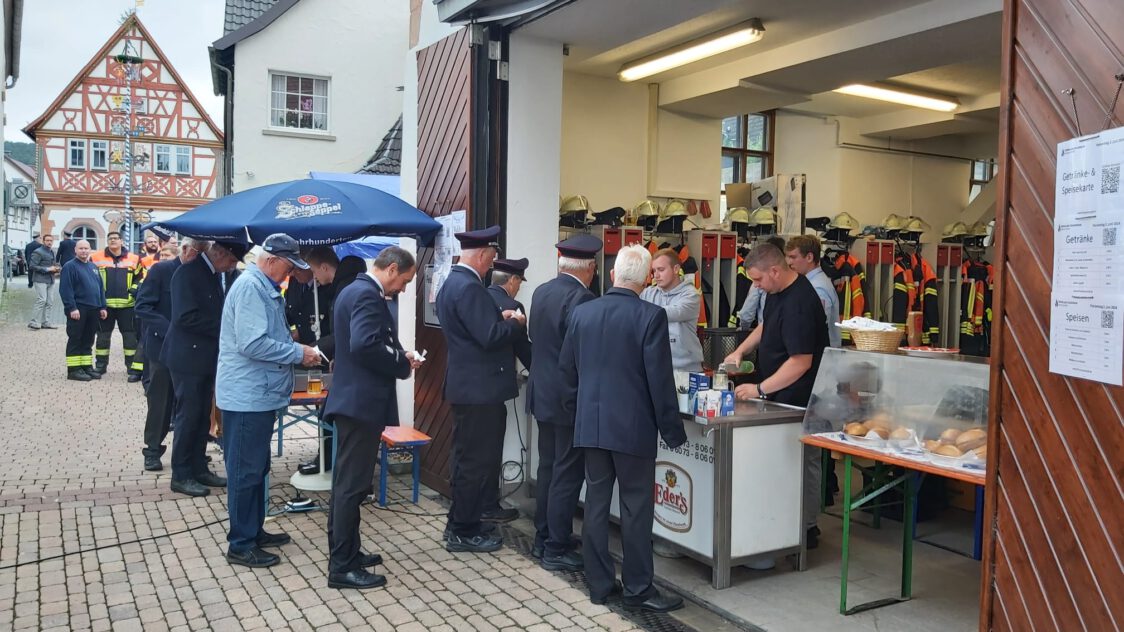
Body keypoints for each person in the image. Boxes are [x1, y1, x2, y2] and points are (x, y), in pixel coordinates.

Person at [559, 244, 686, 612]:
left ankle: (599, 584)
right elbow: (659, 381)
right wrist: (672, 430)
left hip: (591, 426)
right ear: (645, 279)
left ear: (613, 275)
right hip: (633, 429)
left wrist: (577, 413)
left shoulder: (583, 313)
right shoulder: (650, 316)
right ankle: (638, 588)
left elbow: (567, 371)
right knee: (635, 509)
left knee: (596, 504)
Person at [217, 234, 319, 569]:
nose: (290, 274)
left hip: (258, 395)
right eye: (288, 267)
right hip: (247, 396)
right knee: (245, 472)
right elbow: (252, 344)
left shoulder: (263, 286)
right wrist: (297, 353)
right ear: (271, 260)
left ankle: (253, 531)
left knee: (256, 468)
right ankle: (241, 544)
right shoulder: (251, 287)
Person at [324, 247, 423, 588]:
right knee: (351, 487)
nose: (404, 289)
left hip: (354, 401)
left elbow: (364, 342)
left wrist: (398, 353)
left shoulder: (353, 289)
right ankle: (342, 566)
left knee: (347, 485)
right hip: (360, 404)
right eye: (405, 281)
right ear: (391, 269)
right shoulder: (367, 294)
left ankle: (348, 551)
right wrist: (400, 362)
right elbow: (365, 345)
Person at [724, 244, 829, 548]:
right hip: (778, 394)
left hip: (799, 398)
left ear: (774, 270)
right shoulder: (776, 291)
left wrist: (759, 389)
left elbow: (800, 362)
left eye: (758, 280)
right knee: (782, 462)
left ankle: (806, 528)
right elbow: (766, 324)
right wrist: (741, 350)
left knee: (802, 462)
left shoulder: (800, 303)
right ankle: (780, 523)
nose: (756, 286)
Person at [435, 225, 526, 553]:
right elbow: (489, 337)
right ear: (483, 254)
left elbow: (474, 328)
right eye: (491, 258)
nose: (492, 264)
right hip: (479, 389)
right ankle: (464, 529)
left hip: (467, 386)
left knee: (465, 459)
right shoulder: (470, 287)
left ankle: (461, 521)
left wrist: (498, 316)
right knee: (474, 462)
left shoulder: (452, 283)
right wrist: (514, 323)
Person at [528, 234, 602, 570]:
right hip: (568, 398)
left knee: (548, 467)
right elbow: (583, 353)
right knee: (567, 473)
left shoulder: (541, 291)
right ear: (590, 268)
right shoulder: (582, 298)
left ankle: (543, 536)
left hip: (542, 393)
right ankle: (556, 546)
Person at [165, 241, 245, 497]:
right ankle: (181, 474)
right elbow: (185, 316)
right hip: (187, 357)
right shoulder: (188, 273)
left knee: (202, 417)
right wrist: (226, 326)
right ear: (219, 253)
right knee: (188, 416)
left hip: (204, 357)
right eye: (231, 260)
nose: (232, 266)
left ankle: (199, 467)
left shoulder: (212, 273)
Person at [135, 238, 205, 471]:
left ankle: (191, 452)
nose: (202, 259)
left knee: (191, 401)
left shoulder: (201, 274)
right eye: (199, 253)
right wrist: (170, 331)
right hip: (162, 347)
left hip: (193, 348)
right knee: (161, 401)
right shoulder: (161, 270)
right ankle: (152, 450)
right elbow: (143, 306)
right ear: (185, 250)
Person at [481, 256, 533, 523]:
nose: (519, 287)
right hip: (495, 388)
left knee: (473, 451)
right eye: (519, 282)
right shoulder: (513, 307)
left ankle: (471, 502)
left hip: (473, 387)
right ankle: (489, 505)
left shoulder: (480, 298)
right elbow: (523, 348)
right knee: (491, 450)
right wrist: (541, 369)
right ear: (512, 281)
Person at [292, 246, 341, 476]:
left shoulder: (333, 288)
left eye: (301, 269)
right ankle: (325, 455)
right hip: (308, 354)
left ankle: (329, 456)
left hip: (325, 354)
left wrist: (316, 348)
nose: (294, 274)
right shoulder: (298, 286)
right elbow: (293, 313)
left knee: (330, 411)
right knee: (321, 409)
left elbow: (335, 327)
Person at [91, 232, 144, 381]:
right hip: (105, 306)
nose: (113, 241)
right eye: (110, 239)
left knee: (130, 338)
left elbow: (141, 276)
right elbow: (91, 277)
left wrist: (133, 289)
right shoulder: (96, 258)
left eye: (115, 238)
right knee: (102, 337)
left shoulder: (134, 258)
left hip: (127, 305)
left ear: (121, 241)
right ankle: (100, 366)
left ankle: (131, 367)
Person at [641, 248, 704, 372]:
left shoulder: (691, 295)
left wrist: (642, 312)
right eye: (654, 270)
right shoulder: (648, 293)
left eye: (661, 270)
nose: (656, 275)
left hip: (686, 370)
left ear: (676, 269)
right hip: (656, 368)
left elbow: (672, 313)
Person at [59, 240, 107, 381]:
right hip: (78, 309)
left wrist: (102, 306)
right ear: (75, 250)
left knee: (88, 339)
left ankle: (86, 367)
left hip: (93, 309)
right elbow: (66, 290)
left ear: (90, 249)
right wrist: (72, 308)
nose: (84, 251)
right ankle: (74, 370)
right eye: (81, 248)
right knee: (76, 339)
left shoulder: (93, 267)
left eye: (86, 248)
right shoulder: (69, 267)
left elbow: (100, 288)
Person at [785, 235, 842, 348]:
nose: (789, 262)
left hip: (821, 354)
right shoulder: (812, 283)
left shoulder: (817, 288)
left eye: (793, 257)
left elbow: (815, 327)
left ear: (809, 257)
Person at [737, 236, 786, 330]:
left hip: (766, 332)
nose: (757, 284)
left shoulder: (761, 278)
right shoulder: (792, 279)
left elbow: (747, 313)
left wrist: (744, 328)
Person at [28, 234, 60, 330]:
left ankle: (45, 322)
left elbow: (53, 264)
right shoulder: (38, 252)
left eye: (51, 240)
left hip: (51, 279)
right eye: (47, 240)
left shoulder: (52, 252)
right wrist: (47, 269)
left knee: (49, 302)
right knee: (42, 300)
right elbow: (32, 266)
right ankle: (34, 322)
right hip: (40, 279)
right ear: (43, 241)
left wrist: (57, 268)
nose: (49, 242)